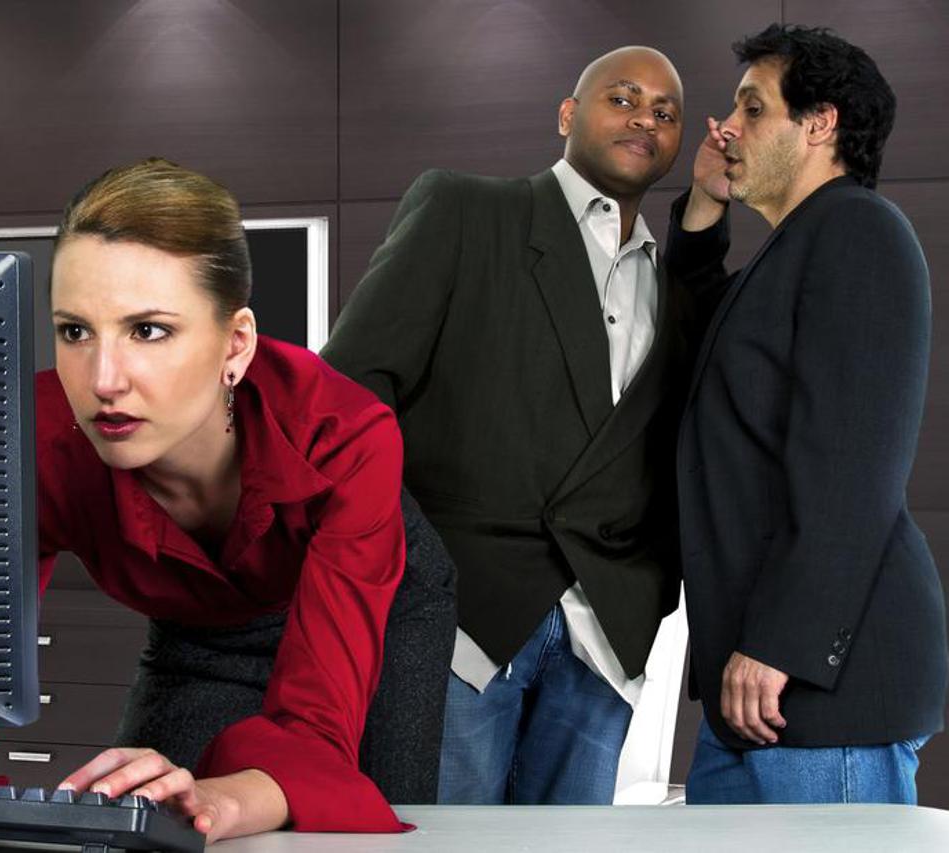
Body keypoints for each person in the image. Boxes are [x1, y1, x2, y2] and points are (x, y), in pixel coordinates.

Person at [0, 159, 457, 841]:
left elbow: (317, 728)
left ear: (235, 345)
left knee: (363, 817)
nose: (103, 381)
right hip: (197, 629)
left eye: (148, 330)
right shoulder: (26, 439)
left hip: (378, 601)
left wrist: (233, 799)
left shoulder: (346, 434)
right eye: (75, 331)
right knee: (144, 818)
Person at [320, 46, 690, 804]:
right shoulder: (465, 210)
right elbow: (348, 390)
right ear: (567, 115)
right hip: (463, 620)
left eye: (664, 112)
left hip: (604, 636)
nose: (644, 120)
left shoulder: (673, 282)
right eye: (622, 99)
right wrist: (407, 557)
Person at [666, 23, 947, 803]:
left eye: (752, 108)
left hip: (817, 686)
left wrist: (780, 643)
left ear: (819, 123)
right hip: (754, 687)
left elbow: (853, 466)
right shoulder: (792, 248)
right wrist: (704, 201)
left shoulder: (857, 230)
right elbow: (699, 341)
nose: (727, 127)